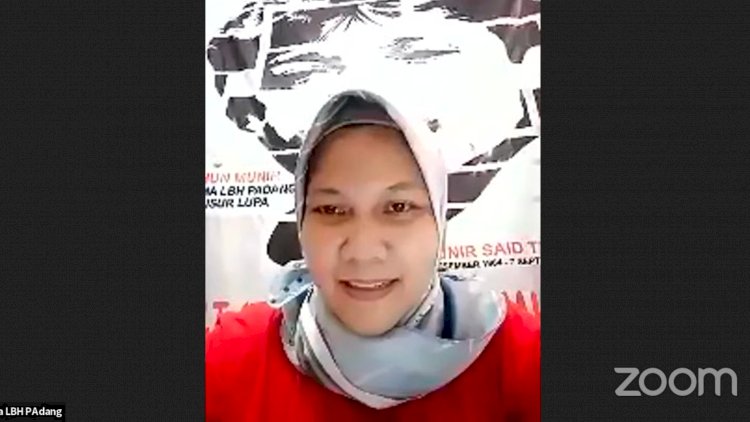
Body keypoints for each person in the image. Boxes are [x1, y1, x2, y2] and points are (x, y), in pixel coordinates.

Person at [205, 90, 540, 421]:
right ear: (302, 225)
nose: (363, 252)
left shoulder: (520, 358)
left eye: (398, 207)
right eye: (332, 209)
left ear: (439, 223)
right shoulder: (230, 362)